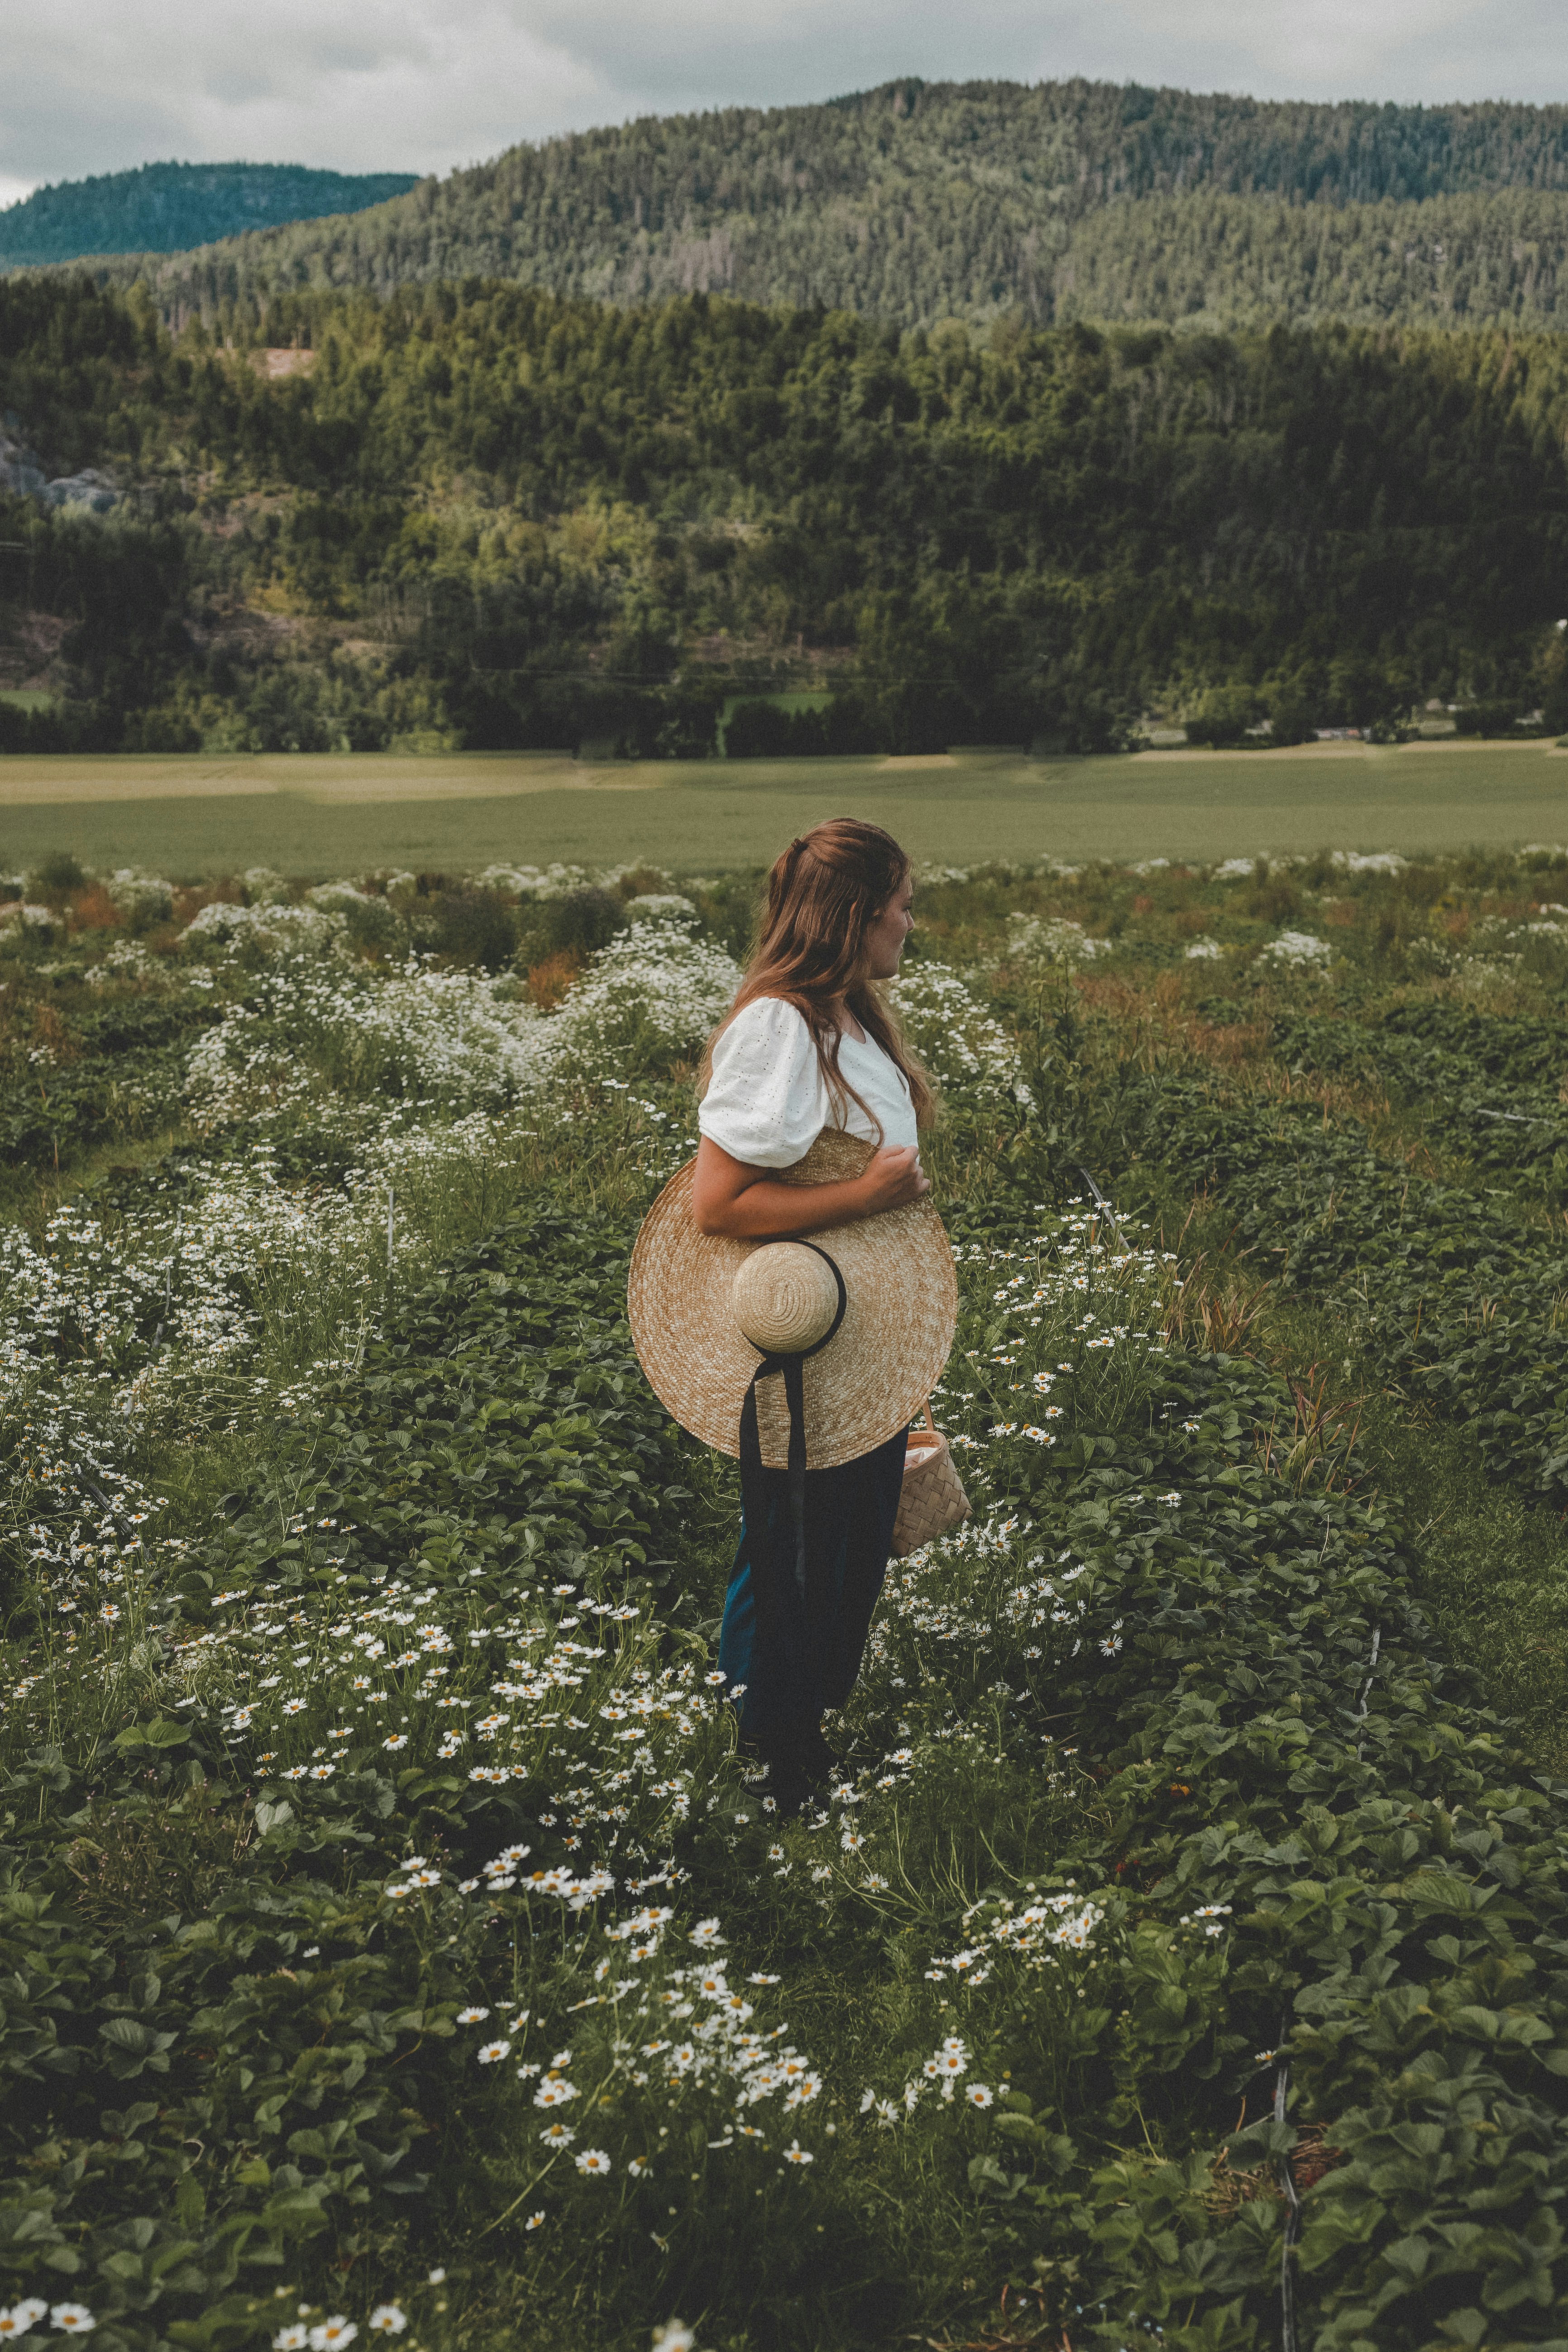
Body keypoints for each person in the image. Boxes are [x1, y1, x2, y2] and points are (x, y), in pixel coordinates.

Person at [689, 817, 937, 1809]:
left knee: (842, 1534)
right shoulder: (779, 1026)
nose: (911, 924)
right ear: (856, 914)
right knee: (793, 1540)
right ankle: (773, 1758)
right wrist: (864, 1200)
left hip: (856, 1322)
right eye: (903, 906)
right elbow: (719, 1204)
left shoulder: (848, 1017)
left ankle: (792, 1731)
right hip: (797, 1330)